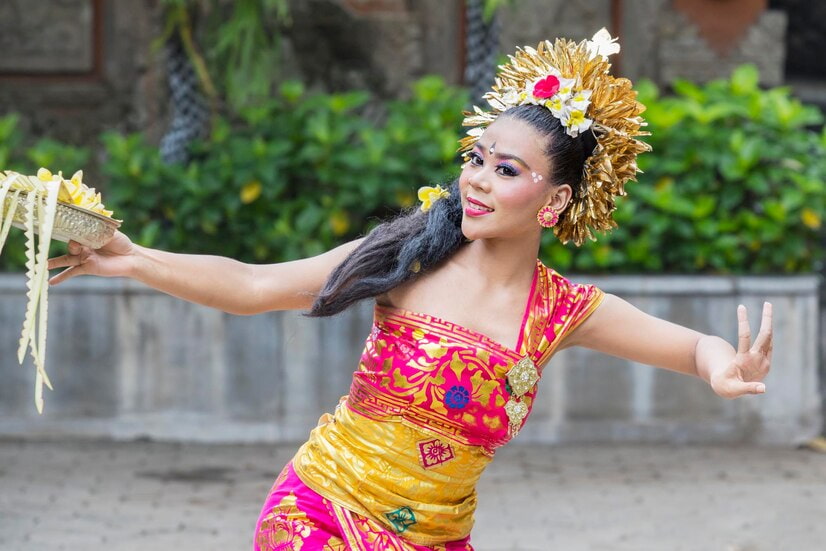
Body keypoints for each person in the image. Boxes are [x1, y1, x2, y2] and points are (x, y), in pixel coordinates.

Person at [47, 30, 772, 550]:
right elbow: (255, 284)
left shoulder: (561, 312)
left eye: (508, 169)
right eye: (477, 157)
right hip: (320, 513)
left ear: (552, 204)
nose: (480, 178)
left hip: (437, 538)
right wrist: (135, 258)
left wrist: (721, 366)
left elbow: (692, 347)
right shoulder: (412, 252)